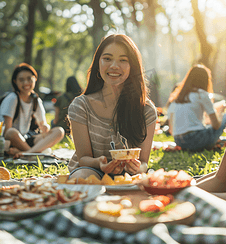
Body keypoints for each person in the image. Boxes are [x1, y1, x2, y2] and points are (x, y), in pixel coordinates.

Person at [68, 34, 157, 180]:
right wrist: (100, 163)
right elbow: (83, 158)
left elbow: (144, 163)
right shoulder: (81, 106)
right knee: (82, 179)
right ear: (98, 63)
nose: (114, 66)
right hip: (91, 170)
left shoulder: (146, 110)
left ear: (132, 66)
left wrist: (137, 167)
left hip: (128, 177)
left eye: (123, 60)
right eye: (107, 59)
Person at [0, 63, 65, 156]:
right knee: (11, 132)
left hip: (27, 139)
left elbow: (43, 125)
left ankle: (26, 153)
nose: (26, 83)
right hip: (12, 141)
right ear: (15, 81)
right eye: (21, 80)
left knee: (59, 131)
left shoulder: (35, 100)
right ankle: (35, 153)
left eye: (29, 79)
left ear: (35, 79)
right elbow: (7, 132)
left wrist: (45, 127)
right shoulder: (12, 98)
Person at [167, 64, 226, 151]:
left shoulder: (176, 99)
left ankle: (217, 141)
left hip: (179, 142)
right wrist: (220, 112)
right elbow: (216, 126)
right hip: (196, 140)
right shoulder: (201, 94)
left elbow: (171, 130)